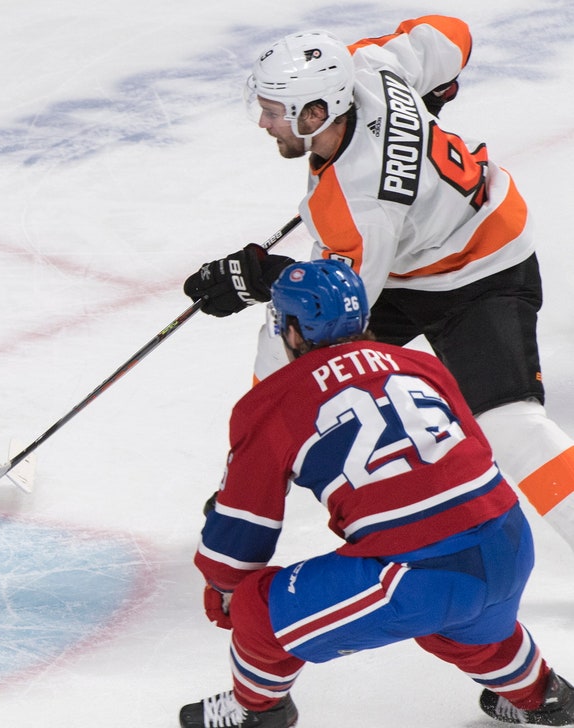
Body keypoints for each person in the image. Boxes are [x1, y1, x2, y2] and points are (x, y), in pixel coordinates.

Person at [182, 16, 574, 556]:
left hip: (482, 271)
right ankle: (255, 474)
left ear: (317, 114)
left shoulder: (357, 204)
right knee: (281, 338)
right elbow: (449, 33)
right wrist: (434, 88)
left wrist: (261, 278)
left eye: (274, 113)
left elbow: (333, 303)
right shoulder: (366, 64)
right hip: (401, 259)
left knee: (510, 425)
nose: (263, 123)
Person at [180, 259, 574, 728]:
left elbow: (244, 526)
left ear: (291, 331)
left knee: (257, 609)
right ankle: (541, 695)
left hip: (421, 575)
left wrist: (223, 585)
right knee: (461, 621)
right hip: (509, 541)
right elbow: (472, 452)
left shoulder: (270, 403)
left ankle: (256, 711)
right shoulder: (422, 365)